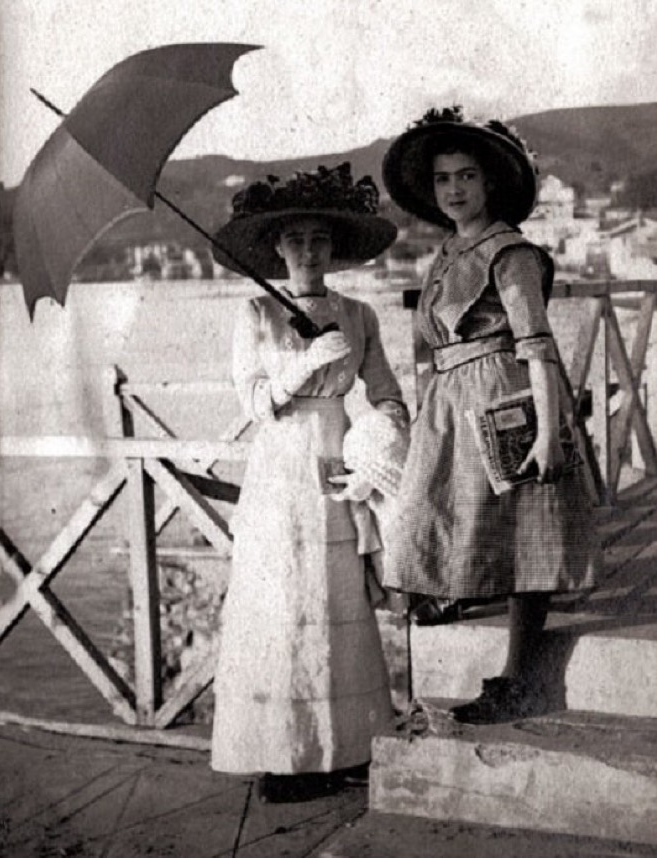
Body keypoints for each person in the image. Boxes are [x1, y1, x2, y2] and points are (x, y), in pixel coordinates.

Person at [381, 107, 602, 724]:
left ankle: (518, 677)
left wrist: (551, 432)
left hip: (505, 395)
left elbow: (535, 340)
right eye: (444, 178)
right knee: (437, 516)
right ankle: (451, 602)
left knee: (523, 533)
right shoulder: (449, 253)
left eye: (467, 176)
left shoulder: (511, 253)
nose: (454, 189)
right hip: (452, 401)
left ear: (491, 185)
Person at [210, 163, 408, 801]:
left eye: (319, 239)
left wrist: (377, 443)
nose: (307, 251)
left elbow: (386, 395)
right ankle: (283, 756)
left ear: (334, 246)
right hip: (278, 470)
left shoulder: (357, 314)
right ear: (276, 248)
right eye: (294, 240)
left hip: (336, 463)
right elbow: (253, 403)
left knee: (338, 606)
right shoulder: (257, 313)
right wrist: (300, 369)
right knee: (284, 608)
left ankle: (344, 750)